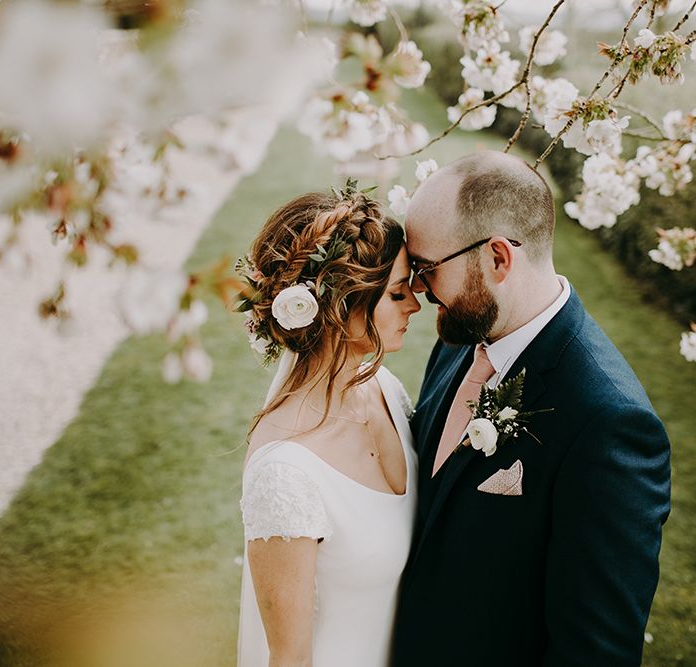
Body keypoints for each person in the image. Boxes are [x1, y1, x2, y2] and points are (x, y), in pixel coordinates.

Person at [391, 151, 671, 666]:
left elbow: (594, 651)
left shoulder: (608, 423)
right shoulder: (460, 340)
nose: (416, 291)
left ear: (498, 257)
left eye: (427, 270)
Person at [236, 186, 421, 667]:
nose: (414, 306)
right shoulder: (286, 474)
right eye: (398, 292)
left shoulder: (387, 391)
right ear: (344, 305)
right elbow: (288, 657)